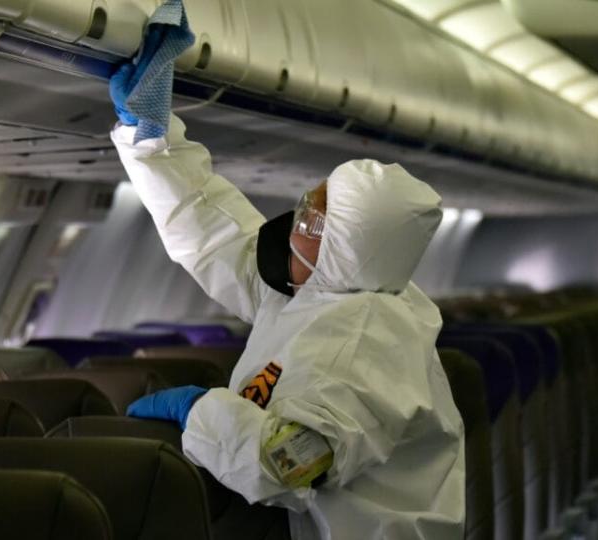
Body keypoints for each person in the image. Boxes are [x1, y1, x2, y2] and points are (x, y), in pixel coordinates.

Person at [111, 54, 465, 539]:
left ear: (346, 247)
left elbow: (295, 460)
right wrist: (151, 139)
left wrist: (199, 411)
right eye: (306, 205)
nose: (297, 224)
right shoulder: (325, 294)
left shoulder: (364, 339)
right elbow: (220, 238)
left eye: (315, 221)